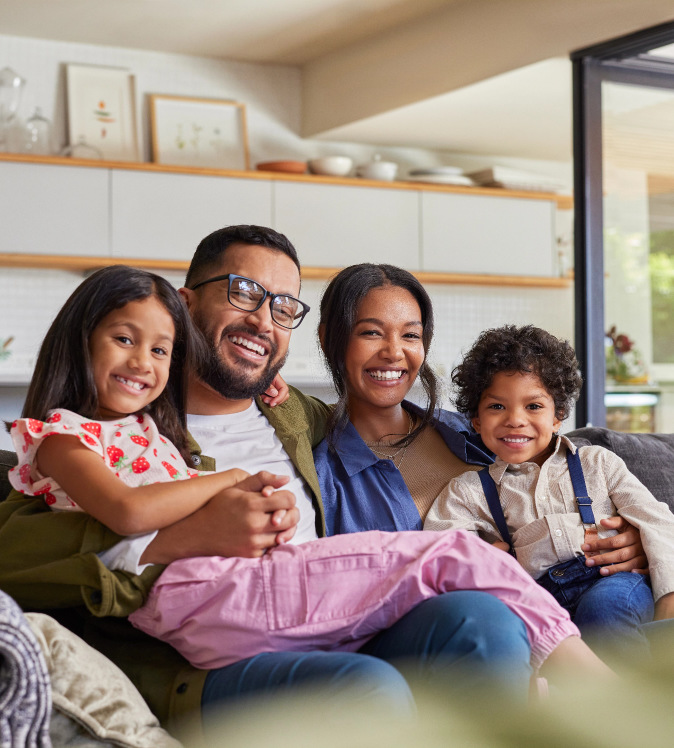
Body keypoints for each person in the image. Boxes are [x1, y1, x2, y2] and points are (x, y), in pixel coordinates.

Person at [0, 229, 642, 734]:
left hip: (326, 616)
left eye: (283, 309)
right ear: (185, 302)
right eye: (244, 293)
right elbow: (21, 553)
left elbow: (511, 447)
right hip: (213, 648)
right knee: (369, 686)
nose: (262, 320)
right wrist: (186, 535)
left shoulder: (297, 416)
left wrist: (626, 532)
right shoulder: (118, 428)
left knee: (482, 620)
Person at [424, 324, 674, 661]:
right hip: (538, 598)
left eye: (533, 406)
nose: (515, 420)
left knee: (603, 609)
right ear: (476, 420)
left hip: (611, 583)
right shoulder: (469, 490)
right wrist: (486, 556)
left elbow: (657, 522)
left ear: (558, 415)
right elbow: (441, 547)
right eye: (497, 407)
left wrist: (668, 598)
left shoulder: (597, 463)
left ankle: (631, 704)